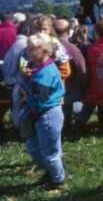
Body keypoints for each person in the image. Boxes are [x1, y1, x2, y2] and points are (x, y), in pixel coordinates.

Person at [21, 33, 66, 190]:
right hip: (42, 114)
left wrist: (27, 97)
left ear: (45, 50)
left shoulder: (45, 75)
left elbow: (41, 100)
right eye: (28, 48)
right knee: (33, 147)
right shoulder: (43, 66)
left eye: (32, 49)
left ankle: (58, 181)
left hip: (48, 115)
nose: (28, 52)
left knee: (49, 152)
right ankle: (53, 169)